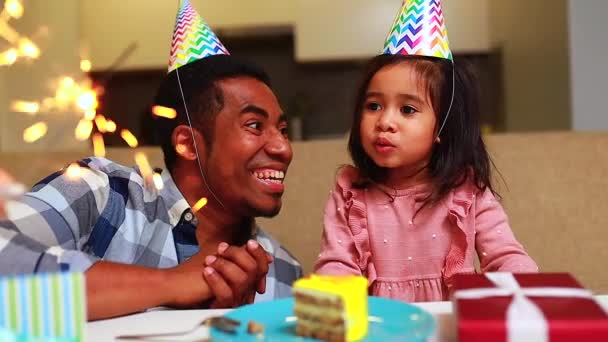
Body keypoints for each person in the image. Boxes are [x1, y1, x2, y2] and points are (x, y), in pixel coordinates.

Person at [0, 0, 301, 320]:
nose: (284, 148)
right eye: (255, 126)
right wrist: (172, 284)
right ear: (187, 143)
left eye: (282, 129)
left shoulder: (283, 273)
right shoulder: (102, 195)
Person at [314, 0, 537, 302]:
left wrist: (530, 294)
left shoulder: (465, 190)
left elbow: (504, 257)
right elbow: (337, 262)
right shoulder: (351, 190)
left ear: (443, 128)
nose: (385, 122)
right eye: (374, 106)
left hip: (451, 325)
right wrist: (329, 308)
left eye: (407, 109)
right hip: (380, 326)